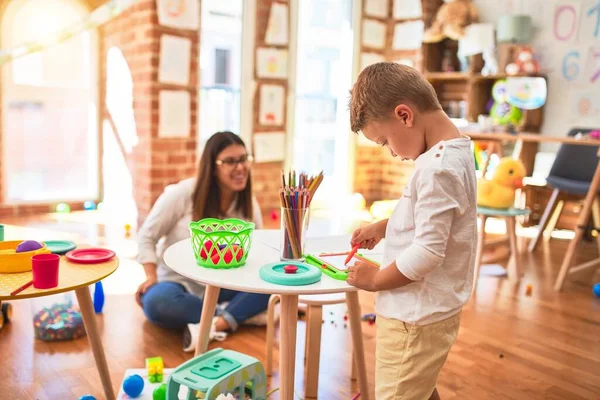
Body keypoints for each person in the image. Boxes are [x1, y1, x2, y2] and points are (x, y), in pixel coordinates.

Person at [346, 62, 477, 399]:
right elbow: (433, 218)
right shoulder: (454, 152)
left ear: (404, 115)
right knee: (417, 388)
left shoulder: (436, 169)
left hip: (413, 318)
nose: (390, 152)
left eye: (384, 141)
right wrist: (384, 227)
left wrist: (374, 281)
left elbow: (428, 252)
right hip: (429, 312)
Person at [136, 131, 271, 352]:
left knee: (271, 285)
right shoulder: (182, 193)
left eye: (244, 159)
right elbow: (146, 236)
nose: (240, 167)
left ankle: (217, 323)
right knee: (156, 303)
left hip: (226, 284)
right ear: (212, 166)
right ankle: (234, 315)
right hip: (179, 284)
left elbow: (257, 248)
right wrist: (150, 277)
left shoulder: (248, 203)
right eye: (230, 161)